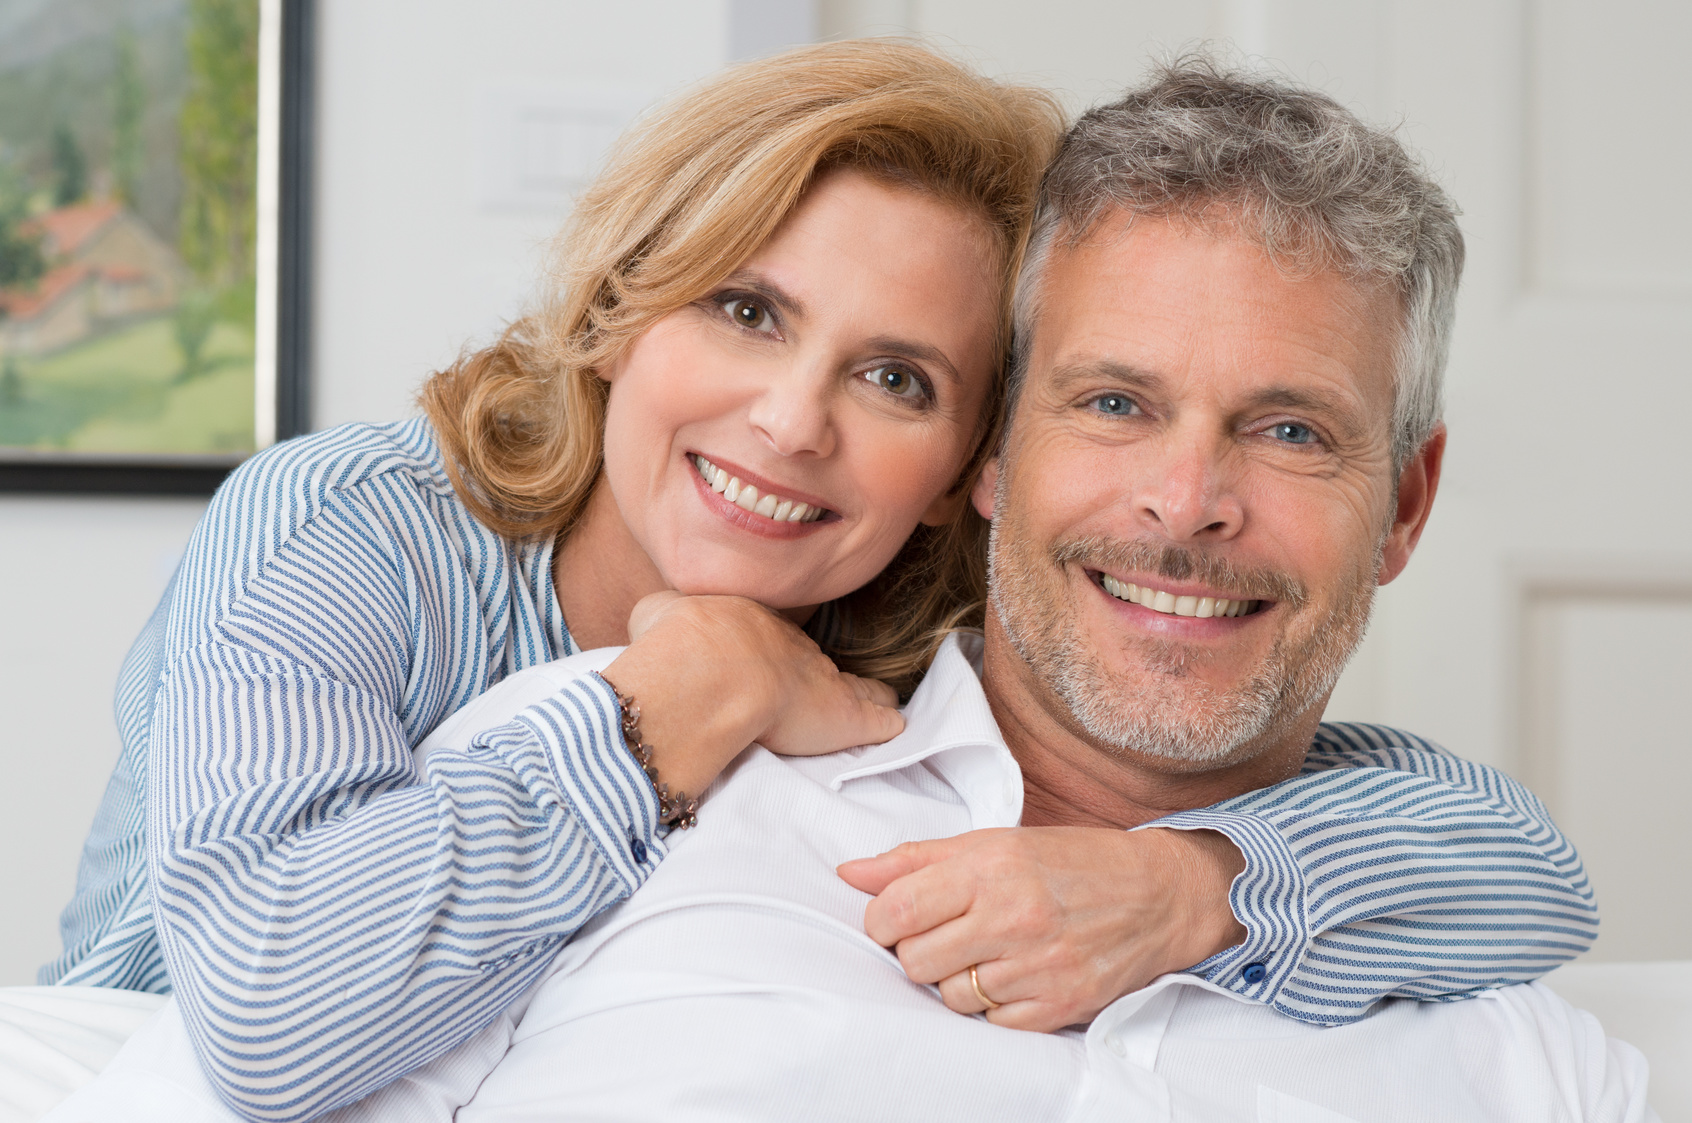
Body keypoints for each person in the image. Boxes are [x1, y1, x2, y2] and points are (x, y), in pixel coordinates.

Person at [41, 44, 1596, 1123]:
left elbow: (1516, 861)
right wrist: (674, 709)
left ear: (967, 464)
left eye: (901, 379)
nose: (794, 423)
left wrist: (1197, 885)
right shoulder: (362, 522)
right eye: (745, 310)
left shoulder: (885, 628)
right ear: (616, 303)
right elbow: (258, 1011)